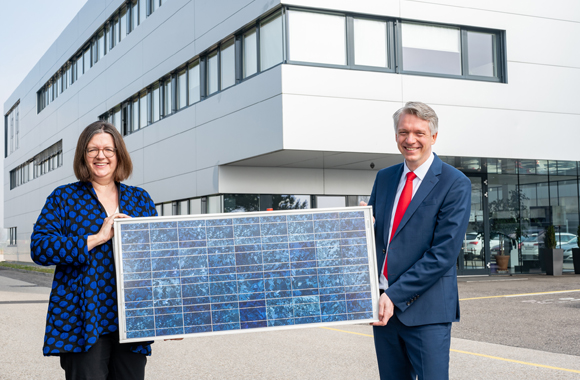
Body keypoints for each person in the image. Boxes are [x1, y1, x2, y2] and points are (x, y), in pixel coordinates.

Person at [31, 121, 158, 380]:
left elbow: (160, 257)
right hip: (82, 317)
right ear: (83, 155)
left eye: (108, 149)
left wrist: (169, 314)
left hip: (131, 318)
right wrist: (96, 238)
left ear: (119, 154)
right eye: (92, 150)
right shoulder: (63, 198)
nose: (101, 156)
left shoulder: (140, 199)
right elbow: (40, 247)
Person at [365, 102, 471, 380]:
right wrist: (359, 228)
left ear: (433, 137)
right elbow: (380, 241)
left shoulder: (454, 182)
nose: (410, 140)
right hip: (383, 311)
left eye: (419, 133)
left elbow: (443, 254)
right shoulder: (384, 178)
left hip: (426, 313)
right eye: (403, 132)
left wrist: (394, 295)